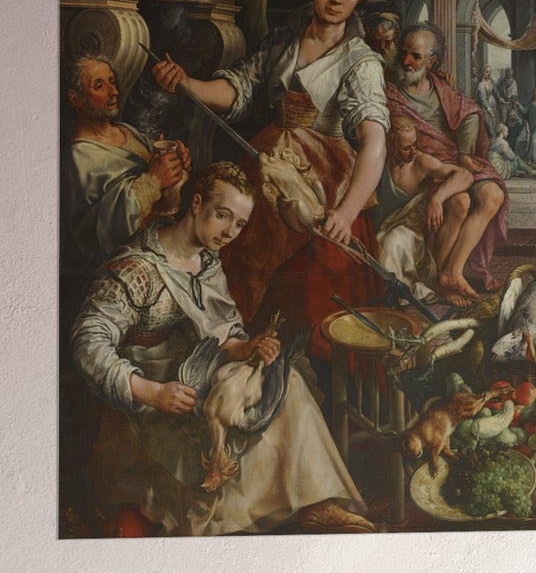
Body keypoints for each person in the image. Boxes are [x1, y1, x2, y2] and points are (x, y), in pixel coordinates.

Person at [71, 162, 373, 536]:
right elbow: (87, 343)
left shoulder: (208, 263)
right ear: (196, 203)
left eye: (240, 224)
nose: (230, 231)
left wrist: (249, 346)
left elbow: (222, 335)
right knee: (222, 424)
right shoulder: (137, 268)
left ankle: (317, 503)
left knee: (285, 382)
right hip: (148, 396)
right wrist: (152, 392)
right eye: (222, 216)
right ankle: (239, 522)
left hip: (196, 373)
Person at [151, 0, 389, 342]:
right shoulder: (285, 39)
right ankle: (227, 344)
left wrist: (345, 214)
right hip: (265, 170)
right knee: (234, 254)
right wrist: (187, 84)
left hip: (324, 189)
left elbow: (375, 143)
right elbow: (240, 87)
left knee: (308, 294)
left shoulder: (361, 62)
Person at [382, 22, 507, 301]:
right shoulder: (389, 94)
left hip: (452, 163)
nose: (406, 61)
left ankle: (452, 271)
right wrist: (438, 194)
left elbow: (470, 112)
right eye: (404, 53)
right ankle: (442, 276)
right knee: (459, 201)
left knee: (492, 194)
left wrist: (464, 152)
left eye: (416, 56)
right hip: (420, 170)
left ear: (432, 61)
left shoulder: (440, 87)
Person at [62, 56, 189, 277]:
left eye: (112, 81)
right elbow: (96, 235)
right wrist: (154, 180)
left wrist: (178, 162)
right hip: (125, 270)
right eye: (99, 85)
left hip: (166, 248)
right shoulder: (79, 157)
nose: (114, 92)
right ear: (75, 99)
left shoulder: (127, 130)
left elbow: (161, 175)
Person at [375, 117, 476, 302]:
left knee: (462, 200)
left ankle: (435, 282)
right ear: (390, 145)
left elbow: (466, 175)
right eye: (407, 148)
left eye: (415, 144)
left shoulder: (421, 163)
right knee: (390, 241)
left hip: (414, 230)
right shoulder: (379, 162)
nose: (413, 151)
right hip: (383, 225)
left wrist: (438, 198)